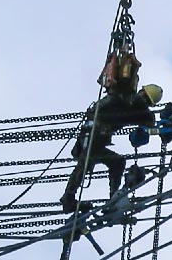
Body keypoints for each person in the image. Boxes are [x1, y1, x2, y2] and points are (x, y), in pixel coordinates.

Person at [61, 48, 163, 210]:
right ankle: (69, 198)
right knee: (87, 162)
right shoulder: (133, 102)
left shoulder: (130, 102)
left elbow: (147, 123)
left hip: (96, 134)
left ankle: (111, 198)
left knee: (115, 162)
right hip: (95, 132)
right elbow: (147, 118)